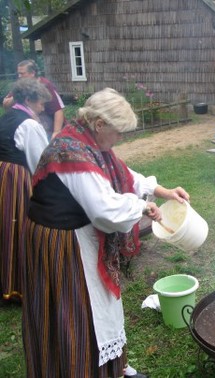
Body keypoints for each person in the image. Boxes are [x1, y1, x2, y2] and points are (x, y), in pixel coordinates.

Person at [22, 88, 189, 377]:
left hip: (80, 237)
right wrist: (142, 208)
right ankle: (78, 369)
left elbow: (123, 173)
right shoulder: (72, 154)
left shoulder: (87, 141)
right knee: (77, 313)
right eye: (118, 131)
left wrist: (163, 191)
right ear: (99, 124)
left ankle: (114, 367)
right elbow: (105, 210)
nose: (120, 138)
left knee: (101, 309)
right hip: (63, 245)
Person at [0, 78, 51, 302]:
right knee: (19, 227)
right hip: (14, 178)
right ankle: (18, 288)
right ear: (29, 100)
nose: (42, 108)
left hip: (2, 175)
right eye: (40, 103)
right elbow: (40, 162)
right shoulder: (28, 124)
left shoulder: (7, 117)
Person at [3, 59, 65, 141]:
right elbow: (6, 106)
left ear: (32, 73)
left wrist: (56, 132)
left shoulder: (45, 85)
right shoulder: (20, 86)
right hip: (27, 125)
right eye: (18, 74)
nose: (19, 76)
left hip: (48, 128)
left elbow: (58, 110)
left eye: (22, 73)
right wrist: (18, 94)